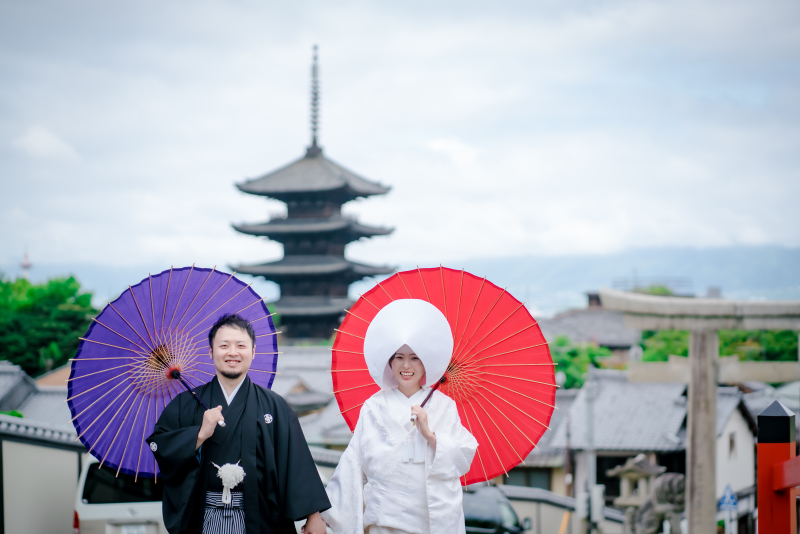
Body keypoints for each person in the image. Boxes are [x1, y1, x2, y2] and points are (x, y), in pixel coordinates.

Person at [146, 313, 330, 534]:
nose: (232, 352)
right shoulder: (185, 404)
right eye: (224, 346)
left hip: (261, 518)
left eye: (241, 346)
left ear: (253, 352)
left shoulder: (274, 406)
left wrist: (313, 515)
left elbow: (295, 460)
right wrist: (199, 434)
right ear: (211, 351)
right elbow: (161, 446)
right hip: (204, 517)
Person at [321, 299, 478, 534]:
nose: (406, 366)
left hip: (428, 522)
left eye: (415, 357)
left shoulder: (444, 406)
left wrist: (430, 435)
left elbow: (463, 454)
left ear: (426, 362)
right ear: (390, 361)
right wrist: (322, 515)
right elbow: (352, 464)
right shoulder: (374, 406)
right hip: (382, 521)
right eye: (399, 357)